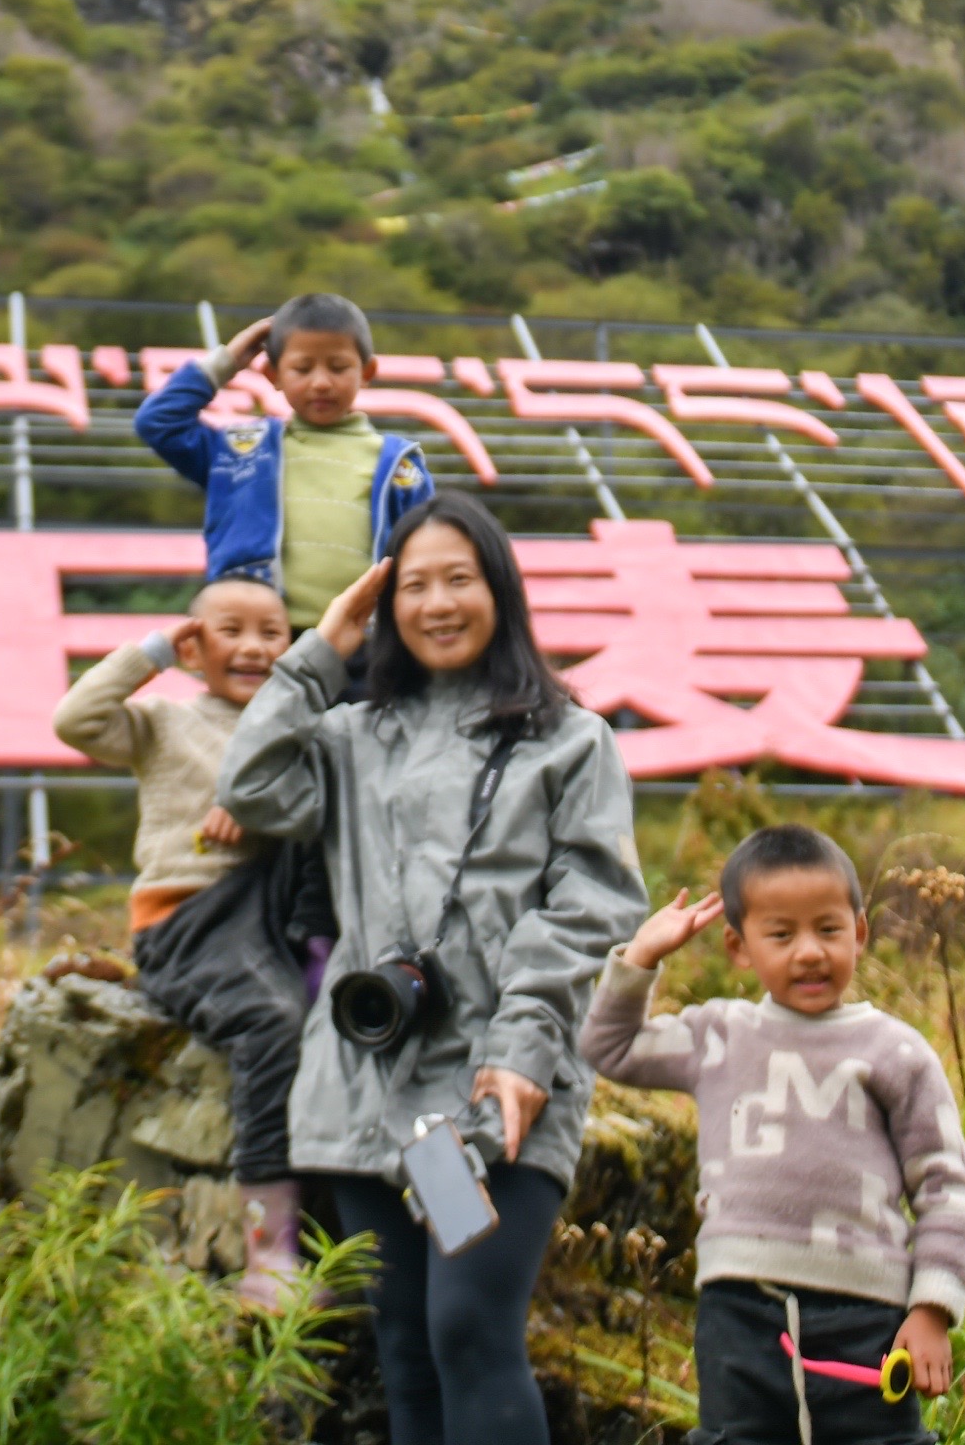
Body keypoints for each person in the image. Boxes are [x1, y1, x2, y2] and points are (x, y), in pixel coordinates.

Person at [215, 491, 646, 1445]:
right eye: (413, 585)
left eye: (461, 579)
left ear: (501, 591)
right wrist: (320, 649)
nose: (439, 603)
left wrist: (526, 1048)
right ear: (384, 602)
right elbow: (244, 784)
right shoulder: (351, 738)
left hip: (492, 1096)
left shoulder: (570, 742)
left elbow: (593, 908)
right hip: (369, 1088)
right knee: (405, 1342)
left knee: (469, 1325)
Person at [577, 825, 965, 1445]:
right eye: (781, 935)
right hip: (740, 1310)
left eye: (828, 929)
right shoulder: (720, 1036)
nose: (810, 952)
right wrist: (641, 958)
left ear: (860, 933)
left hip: (867, 1315)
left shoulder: (896, 1052)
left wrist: (931, 1310)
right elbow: (611, 1047)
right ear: (739, 948)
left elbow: (947, 1187)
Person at [48, 573, 317, 1304]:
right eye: (230, 630)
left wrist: (264, 806)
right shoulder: (165, 722)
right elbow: (75, 719)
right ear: (196, 648)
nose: (255, 647)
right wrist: (154, 651)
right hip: (189, 917)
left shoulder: (298, 731)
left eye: (273, 633)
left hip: (272, 915)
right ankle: (269, 1250)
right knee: (273, 1024)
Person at [132, 291, 437, 630]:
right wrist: (228, 361)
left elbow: (427, 555)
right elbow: (158, 423)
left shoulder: (399, 465)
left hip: (362, 649)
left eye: (338, 367)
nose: (321, 382)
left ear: (367, 371)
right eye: (302, 368)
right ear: (272, 375)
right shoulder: (239, 451)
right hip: (259, 645)